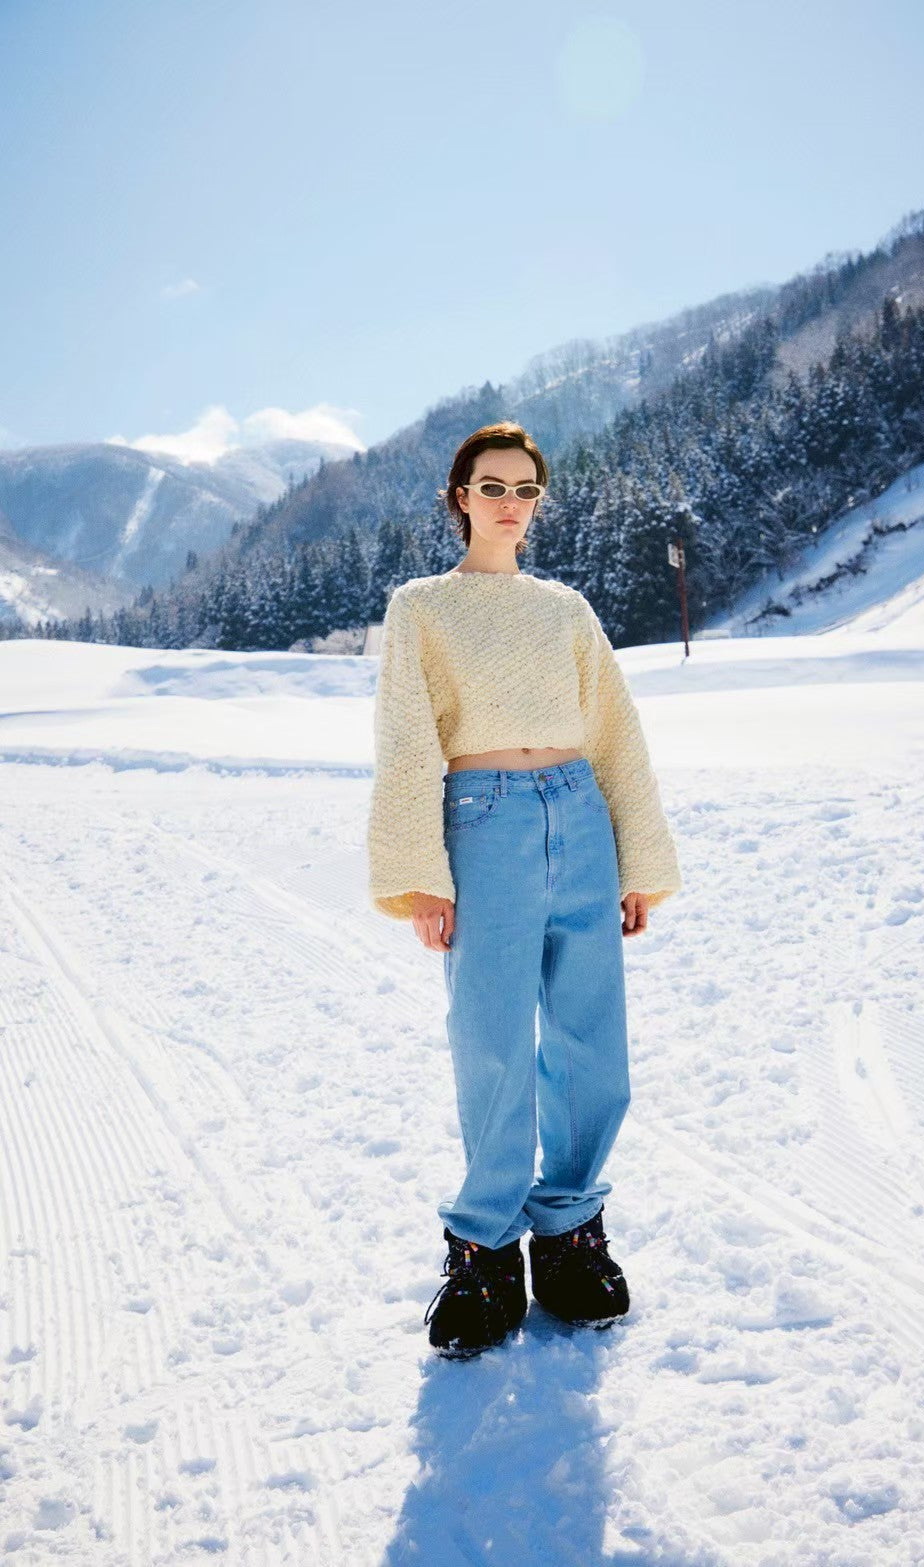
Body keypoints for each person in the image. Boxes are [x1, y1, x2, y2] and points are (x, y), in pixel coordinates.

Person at [367, 421, 682, 1359]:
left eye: (526, 490)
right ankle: (486, 1248)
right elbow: (406, 741)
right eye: (492, 487)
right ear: (460, 496)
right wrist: (421, 876)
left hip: (579, 814)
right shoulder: (421, 607)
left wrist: (638, 862)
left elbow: (616, 734)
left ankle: (571, 1229)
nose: (510, 504)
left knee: (592, 1041)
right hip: (485, 820)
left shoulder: (565, 609)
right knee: (493, 1040)